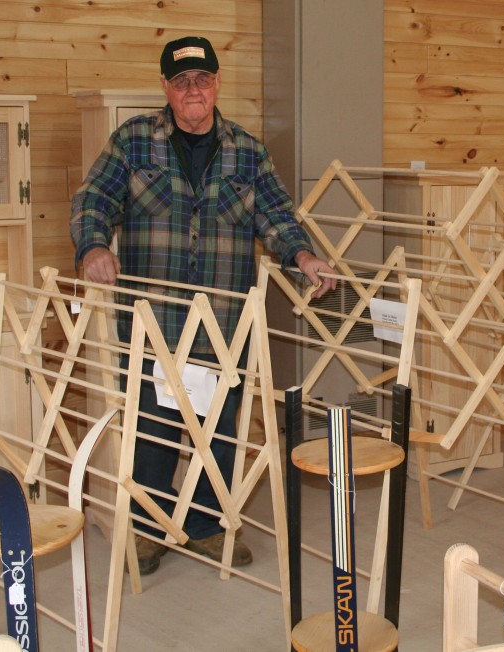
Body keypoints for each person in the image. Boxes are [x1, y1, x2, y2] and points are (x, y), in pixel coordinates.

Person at [70, 35, 335, 575]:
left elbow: (277, 216)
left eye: (203, 79)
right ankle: (148, 527)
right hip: (153, 316)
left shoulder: (247, 150)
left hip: (223, 319)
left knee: (219, 424)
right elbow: (92, 198)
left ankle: (207, 526)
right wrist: (94, 244)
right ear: (167, 87)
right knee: (153, 423)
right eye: (181, 81)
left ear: (217, 83)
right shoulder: (133, 141)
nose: (194, 90)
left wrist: (304, 256)